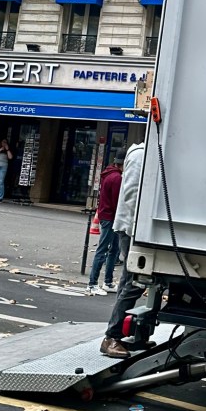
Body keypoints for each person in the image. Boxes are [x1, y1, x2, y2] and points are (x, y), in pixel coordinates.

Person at [100, 140, 145, 359]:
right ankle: (112, 336)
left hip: (134, 229)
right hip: (133, 230)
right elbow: (132, 196)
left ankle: (118, 333)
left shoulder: (141, 153)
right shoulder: (140, 154)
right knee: (133, 282)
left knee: (130, 280)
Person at [87, 149, 125, 296]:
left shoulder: (108, 174)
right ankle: (93, 284)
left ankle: (106, 282)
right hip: (111, 217)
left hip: (107, 216)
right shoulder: (117, 178)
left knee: (112, 249)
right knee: (105, 250)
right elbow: (117, 202)